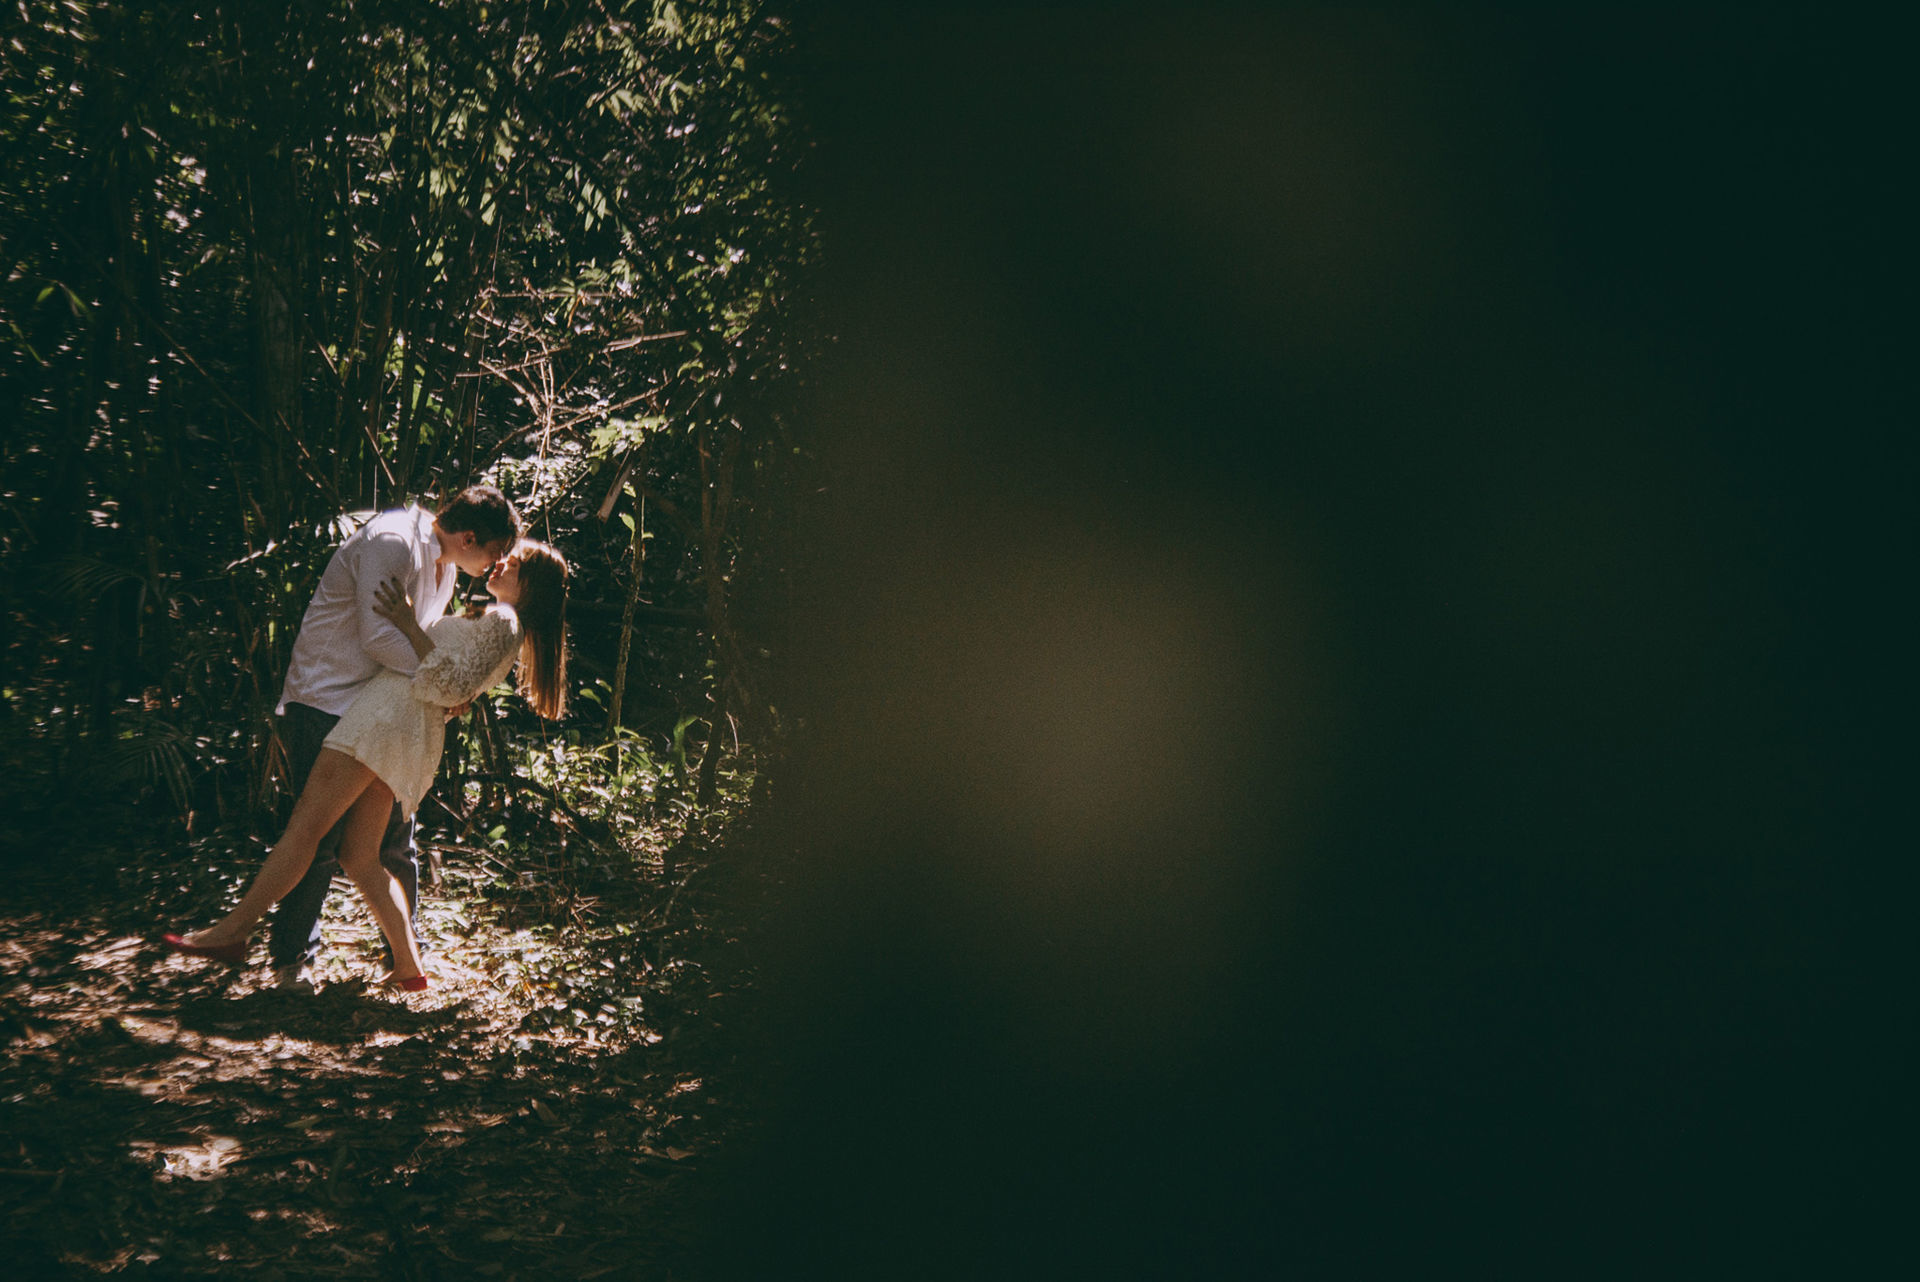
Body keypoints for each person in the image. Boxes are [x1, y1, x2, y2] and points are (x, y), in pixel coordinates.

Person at [163, 540, 570, 989]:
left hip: (383, 721)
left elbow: (450, 685)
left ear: (532, 586)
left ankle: (232, 932)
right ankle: (408, 965)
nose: (503, 561)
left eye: (517, 562)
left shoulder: (503, 620)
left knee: (305, 828)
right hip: (401, 728)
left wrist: (406, 623)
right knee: (359, 855)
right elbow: (458, 684)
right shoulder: (501, 623)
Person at [258, 487, 520, 988]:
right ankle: (293, 960)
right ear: (469, 537)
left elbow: (414, 640)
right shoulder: (394, 541)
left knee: (396, 837)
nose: (493, 566)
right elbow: (378, 637)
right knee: (319, 839)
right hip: (326, 696)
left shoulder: (444, 565)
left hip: (382, 707)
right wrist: (441, 682)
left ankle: (404, 959)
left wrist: (443, 683)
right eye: (493, 553)